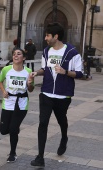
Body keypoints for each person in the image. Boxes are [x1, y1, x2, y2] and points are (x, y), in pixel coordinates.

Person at [30, 22, 83, 167]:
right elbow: (44, 68)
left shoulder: (72, 52)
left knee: (61, 120)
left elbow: (79, 73)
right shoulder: (47, 51)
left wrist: (65, 72)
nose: (45, 38)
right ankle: (40, 157)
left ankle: (64, 137)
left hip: (63, 94)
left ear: (56, 36)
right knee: (43, 123)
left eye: (48, 35)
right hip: (46, 92)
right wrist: (37, 73)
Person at [0, 48, 34, 163]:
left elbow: (31, 89)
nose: (15, 56)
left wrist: (30, 84)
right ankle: (15, 128)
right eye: (14, 54)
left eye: (18, 54)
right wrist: (3, 91)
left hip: (22, 103)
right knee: (4, 130)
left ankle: (13, 153)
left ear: (23, 58)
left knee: (13, 129)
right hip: (8, 102)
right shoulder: (6, 69)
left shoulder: (28, 71)